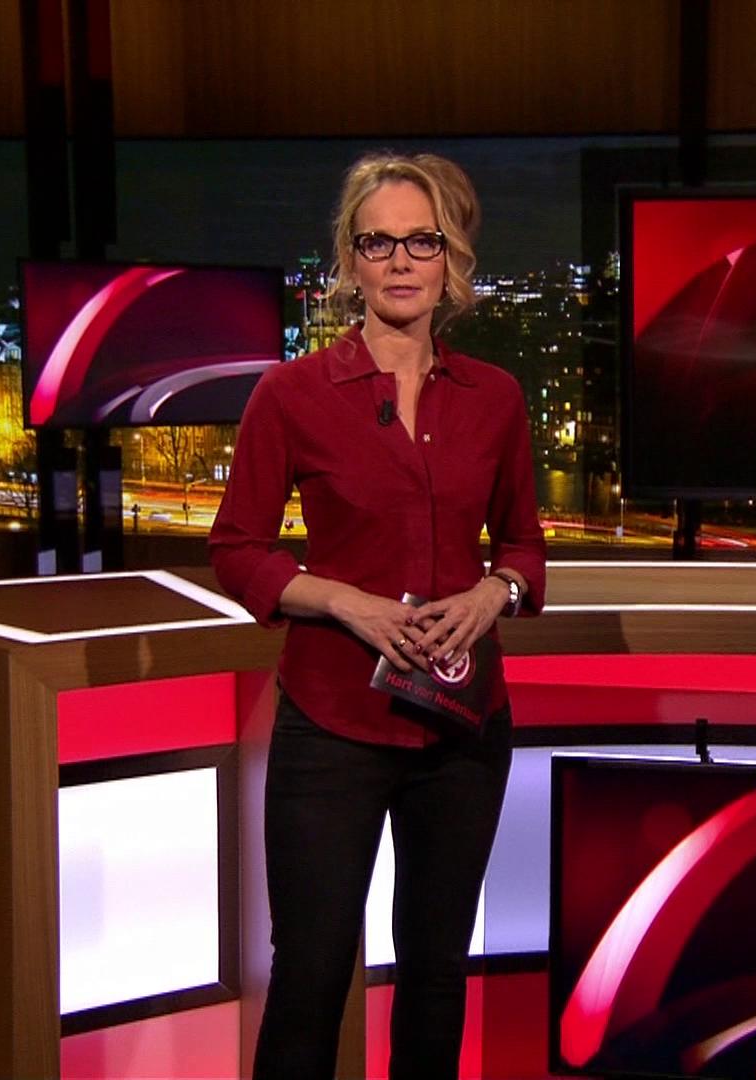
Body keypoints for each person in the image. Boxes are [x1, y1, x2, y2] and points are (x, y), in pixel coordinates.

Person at [208, 151, 545, 1079]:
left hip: (463, 727)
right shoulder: (290, 395)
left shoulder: (496, 398)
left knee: (436, 975)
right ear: (350, 261)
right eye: (378, 242)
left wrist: (493, 593)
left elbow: (524, 546)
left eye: (422, 241)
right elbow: (236, 548)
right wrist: (341, 600)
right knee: (311, 975)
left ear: (452, 258)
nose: (401, 261)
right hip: (333, 726)